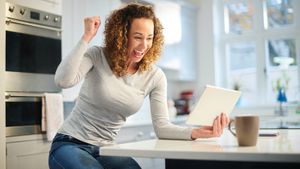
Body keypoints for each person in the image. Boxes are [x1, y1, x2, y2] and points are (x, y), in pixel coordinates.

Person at [48, 3, 229, 169]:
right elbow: (63, 80)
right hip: (70, 143)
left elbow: (162, 127)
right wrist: (86, 37)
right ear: (122, 35)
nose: (144, 45)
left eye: (149, 38)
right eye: (137, 37)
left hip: (108, 149)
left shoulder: (155, 76)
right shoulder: (97, 55)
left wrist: (197, 132)